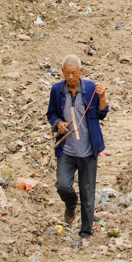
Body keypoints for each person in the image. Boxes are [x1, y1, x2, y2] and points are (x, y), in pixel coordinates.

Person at [47, 55, 107, 239]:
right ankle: (71, 204)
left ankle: (85, 233)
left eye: (74, 73)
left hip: (88, 150)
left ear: (80, 72)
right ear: (62, 72)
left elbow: (102, 113)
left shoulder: (90, 88)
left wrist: (102, 97)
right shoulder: (57, 90)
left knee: (88, 194)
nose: (71, 77)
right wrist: (58, 123)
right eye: (67, 73)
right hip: (67, 149)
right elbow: (51, 114)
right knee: (63, 184)